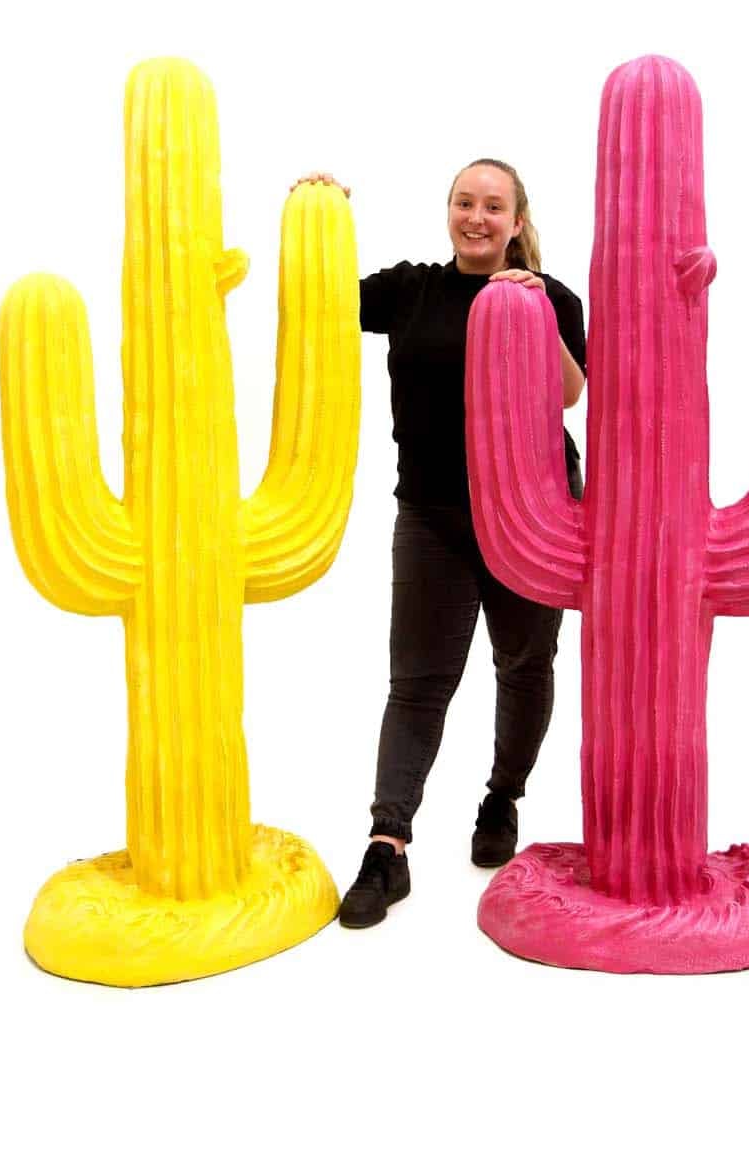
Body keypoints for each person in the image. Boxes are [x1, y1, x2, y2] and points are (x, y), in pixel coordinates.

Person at [292, 161, 586, 929]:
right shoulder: (412, 289)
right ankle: (386, 844)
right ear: (449, 211)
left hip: (535, 513)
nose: (476, 217)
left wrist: (531, 310)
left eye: (493, 206)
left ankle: (502, 797)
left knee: (524, 664)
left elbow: (570, 392)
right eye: (464, 202)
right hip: (432, 513)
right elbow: (318, 301)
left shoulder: (552, 296)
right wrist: (319, 217)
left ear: (517, 222)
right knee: (418, 681)